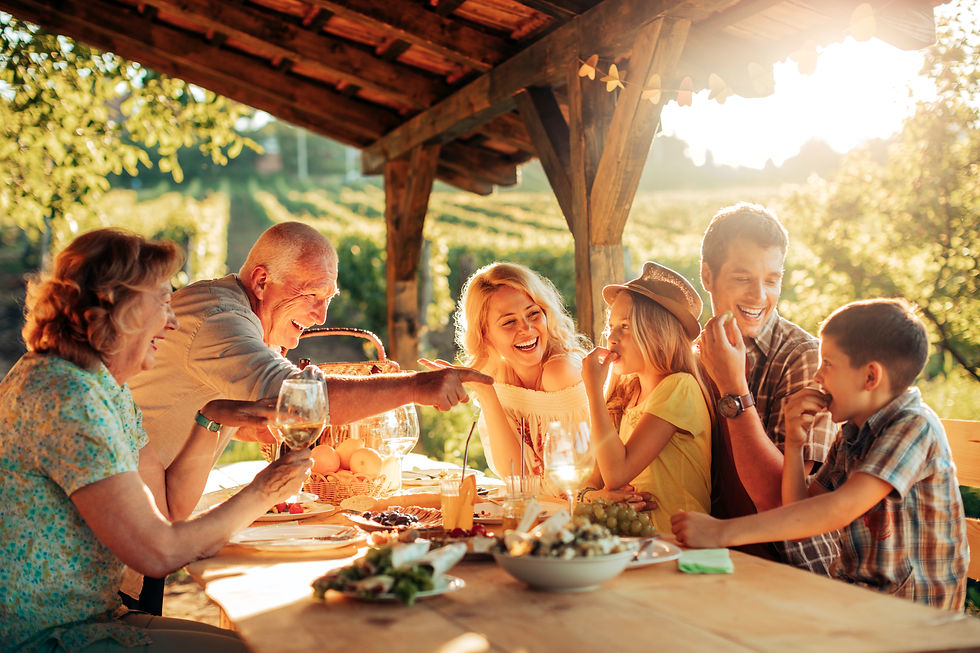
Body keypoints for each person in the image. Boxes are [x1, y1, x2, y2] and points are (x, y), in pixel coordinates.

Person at [0, 228, 313, 651]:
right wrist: (264, 491)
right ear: (120, 307)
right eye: (163, 301)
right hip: (43, 636)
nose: (173, 320)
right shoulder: (65, 397)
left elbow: (170, 514)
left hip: (94, 614)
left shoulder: (104, 386)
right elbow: (157, 553)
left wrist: (211, 419)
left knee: (258, 644)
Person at [672, 298, 968, 612]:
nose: (817, 377)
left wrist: (721, 533)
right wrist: (796, 443)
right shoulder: (852, 434)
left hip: (914, 619)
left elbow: (840, 508)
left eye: (827, 363)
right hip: (860, 606)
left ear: (870, 377)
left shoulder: (914, 426)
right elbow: (801, 509)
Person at [130, 221, 491, 469]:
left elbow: (195, 395)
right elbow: (300, 400)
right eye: (311, 295)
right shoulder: (220, 319)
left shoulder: (237, 313)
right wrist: (417, 385)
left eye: (328, 297)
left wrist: (245, 426)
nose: (320, 316)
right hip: (119, 517)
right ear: (261, 281)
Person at [697, 202, 840, 574]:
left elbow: (783, 505)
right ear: (707, 276)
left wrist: (732, 388)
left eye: (772, 279)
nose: (759, 295)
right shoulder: (692, 355)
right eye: (743, 278)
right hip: (709, 555)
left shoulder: (805, 359)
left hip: (794, 567)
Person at [423, 262, 590, 481]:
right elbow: (516, 475)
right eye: (509, 322)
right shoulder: (497, 373)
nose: (527, 329)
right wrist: (486, 392)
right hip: (541, 509)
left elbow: (581, 479)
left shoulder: (559, 372)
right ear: (484, 333)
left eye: (533, 314)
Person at [581, 261, 713, 534]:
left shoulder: (680, 387)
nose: (612, 337)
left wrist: (592, 389)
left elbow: (617, 474)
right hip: (632, 544)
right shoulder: (625, 394)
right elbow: (594, 483)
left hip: (676, 545)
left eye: (626, 326)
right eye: (611, 325)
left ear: (659, 335)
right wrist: (594, 498)